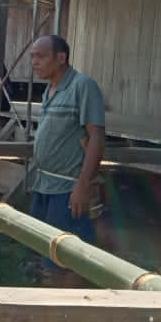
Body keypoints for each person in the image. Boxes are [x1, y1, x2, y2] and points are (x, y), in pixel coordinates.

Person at [28, 35, 105, 287]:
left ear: (61, 58)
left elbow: (96, 137)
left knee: (67, 254)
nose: (34, 62)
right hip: (44, 183)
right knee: (46, 247)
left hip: (67, 187)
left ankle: (71, 306)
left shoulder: (83, 86)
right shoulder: (50, 89)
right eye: (32, 57)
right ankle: (51, 299)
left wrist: (82, 186)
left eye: (40, 56)